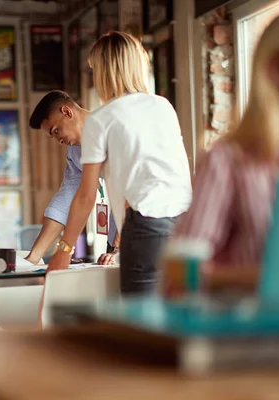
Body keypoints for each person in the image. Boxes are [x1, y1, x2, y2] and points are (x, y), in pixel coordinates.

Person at [170, 4, 279, 292]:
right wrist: (278, 278)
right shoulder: (229, 162)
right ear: (278, 70)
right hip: (250, 334)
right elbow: (179, 277)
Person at [46, 31, 192, 295]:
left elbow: (85, 196)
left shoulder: (100, 118)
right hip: (186, 227)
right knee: (176, 320)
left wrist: (63, 251)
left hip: (147, 227)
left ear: (105, 70)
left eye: (94, 70)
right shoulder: (163, 106)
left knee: (141, 325)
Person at [25, 90, 120, 265]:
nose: (58, 140)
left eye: (56, 131)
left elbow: (133, 190)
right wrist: (33, 258)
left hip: (145, 224)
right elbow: (65, 201)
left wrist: (118, 247)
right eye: (52, 136)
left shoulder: (112, 127)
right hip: (118, 234)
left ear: (67, 112)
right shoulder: (75, 153)